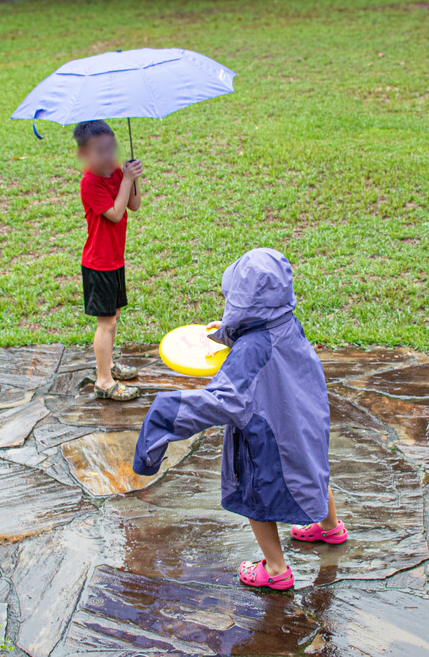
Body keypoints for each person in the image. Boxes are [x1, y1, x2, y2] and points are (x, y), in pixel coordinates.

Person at [132, 248, 347, 590]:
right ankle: (329, 528)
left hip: (269, 434)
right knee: (314, 469)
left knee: (254, 495)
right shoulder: (285, 322)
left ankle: (275, 570)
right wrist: (230, 333)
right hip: (304, 417)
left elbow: (223, 400)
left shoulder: (250, 350)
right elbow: (262, 336)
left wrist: (165, 414)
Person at [74, 120, 142, 401]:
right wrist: (126, 180)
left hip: (114, 259)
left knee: (113, 317)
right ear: (84, 155)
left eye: (110, 148)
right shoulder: (89, 182)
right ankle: (103, 381)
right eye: (99, 150)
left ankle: (109, 365)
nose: (107, 155)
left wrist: (133, 177)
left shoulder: (116, 172)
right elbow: (114, 213)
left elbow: (133, 206)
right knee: (107, 323)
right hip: (98, 263)